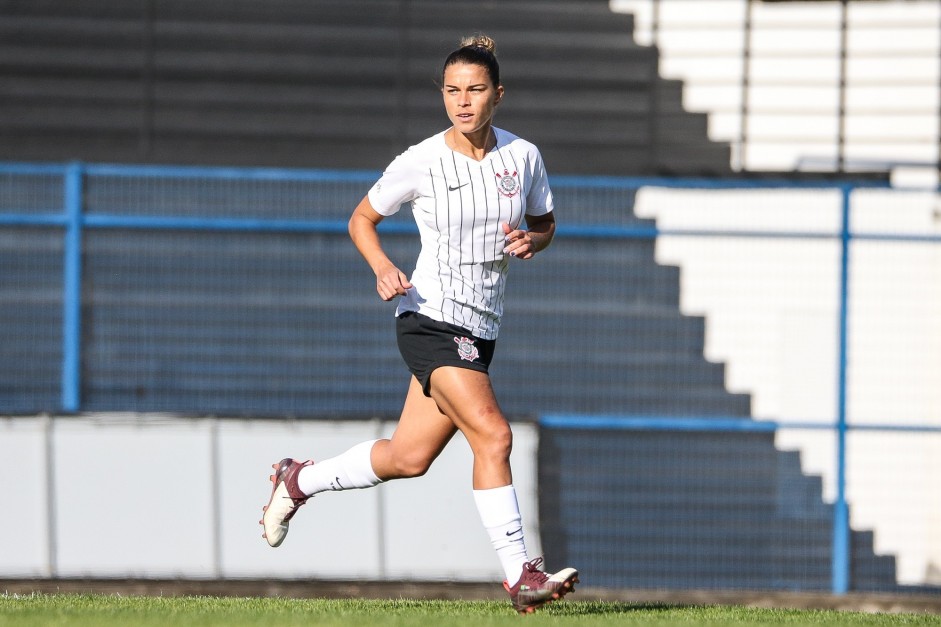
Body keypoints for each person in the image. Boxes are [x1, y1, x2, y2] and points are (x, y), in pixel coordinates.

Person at [260, 34, 578, 615]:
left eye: (475, 90)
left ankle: (298, 480)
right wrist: (383, 268)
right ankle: (521, 574)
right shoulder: (421, 159)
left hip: (480, 329)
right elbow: (361, 218)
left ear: (497, 95)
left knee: (408, 458)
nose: (463, 101)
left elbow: (546, 223)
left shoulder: (523, 156)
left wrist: (533, 240)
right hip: (428, 316)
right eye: (453, 90)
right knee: (495, 435)